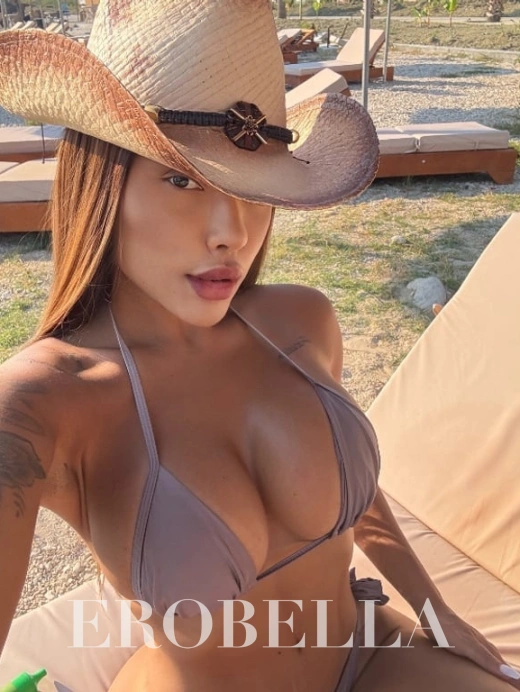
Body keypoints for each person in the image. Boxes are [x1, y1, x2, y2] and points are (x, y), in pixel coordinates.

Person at [0, 1, 519, 690]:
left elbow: (357, 497)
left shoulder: (301, 321)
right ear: (101, 182)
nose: (233, 233)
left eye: (253, 188)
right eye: (183, 180)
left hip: (367, 651)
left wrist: (434, 608)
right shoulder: (39, 405)